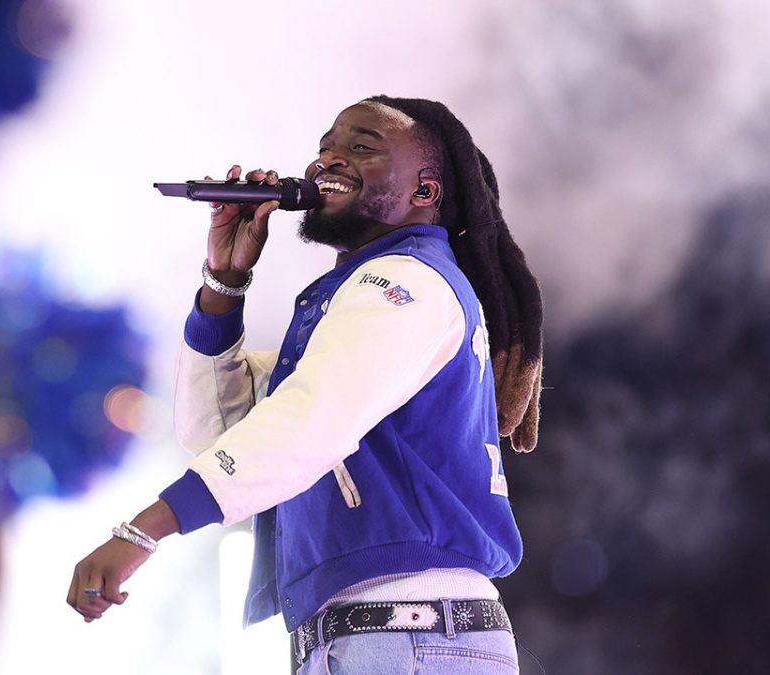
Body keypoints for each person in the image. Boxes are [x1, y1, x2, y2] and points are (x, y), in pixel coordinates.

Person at [67, 95, 543, 674]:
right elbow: (216, 433)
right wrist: (224, 283)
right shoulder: (363, 297)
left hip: (409, 637)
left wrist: (142, 532)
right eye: (326, 147)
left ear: (424, 190)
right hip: (385, 638)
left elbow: (306, 424)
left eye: (361, 147)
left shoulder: (406, 283)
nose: (329, 159)